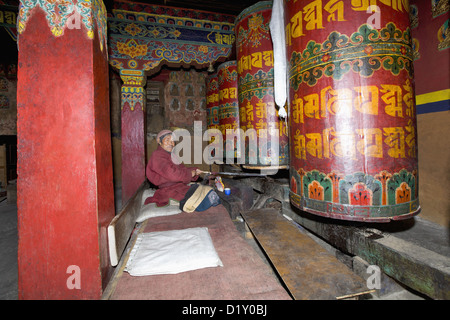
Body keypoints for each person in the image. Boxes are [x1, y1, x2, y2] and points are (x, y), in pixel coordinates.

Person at [144, 129, 203, 206]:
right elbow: (172, 174)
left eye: (173, 141)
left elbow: (181, 169)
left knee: (200, 191)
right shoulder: (157, 155)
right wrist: (189, 174)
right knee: (198, 197)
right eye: (167, 140)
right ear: (159, 141)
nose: (171, 143)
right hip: (168, 191)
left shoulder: (172, 156)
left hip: (177, 187)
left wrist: (194, 171)